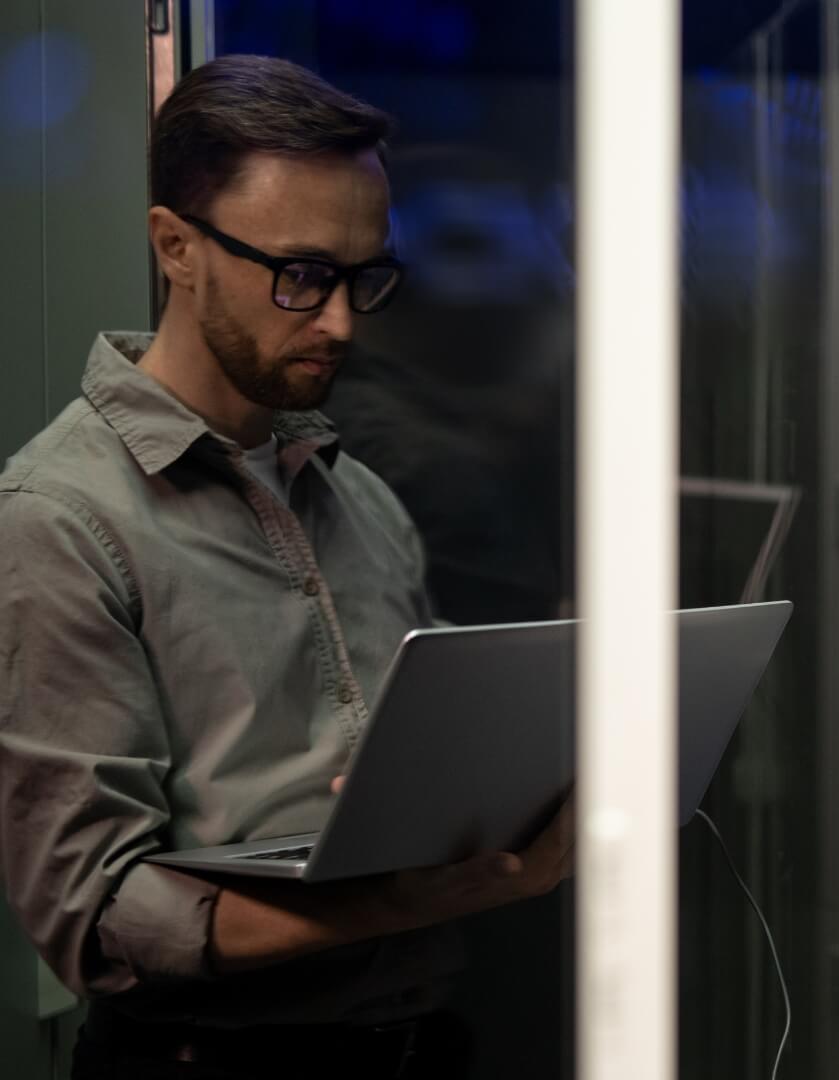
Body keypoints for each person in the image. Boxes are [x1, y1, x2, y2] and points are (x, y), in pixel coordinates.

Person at [0, 55, 571, 1079]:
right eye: (301, 275)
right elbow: (92, 918)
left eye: (365, 278)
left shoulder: (359, 495)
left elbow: (436, 760)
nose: (342, 322)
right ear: (175, 245)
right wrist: (399, 896)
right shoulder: (63, 519)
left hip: (422, 1041)